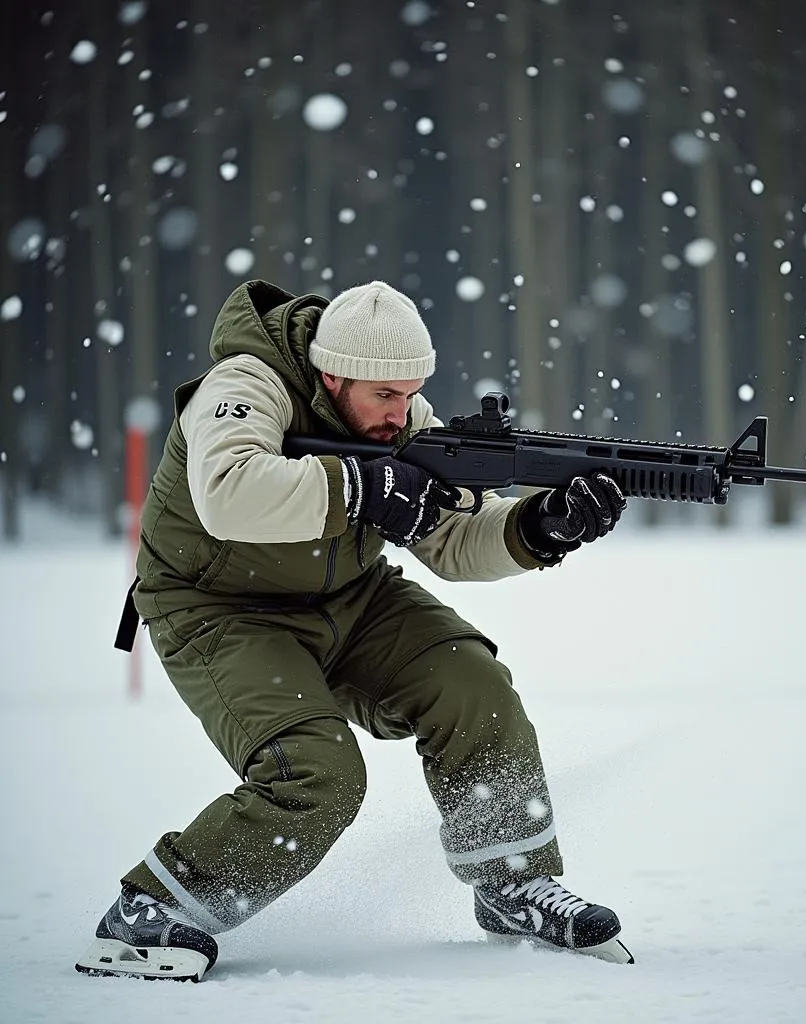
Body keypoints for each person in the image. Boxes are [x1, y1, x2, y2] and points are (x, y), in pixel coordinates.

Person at [75, 279, 630, 982]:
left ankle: (512, 882)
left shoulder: (402, 415)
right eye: (385, 398)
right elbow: (229, 491)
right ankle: (150, 914)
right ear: (332, 375)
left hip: (351, 596)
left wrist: (537, 526)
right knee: (317, 773)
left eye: (412, 393)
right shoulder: (244, 386)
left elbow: (454, 537)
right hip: (219, 609)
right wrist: (360, 487)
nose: (403, 416)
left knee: (474, 688)